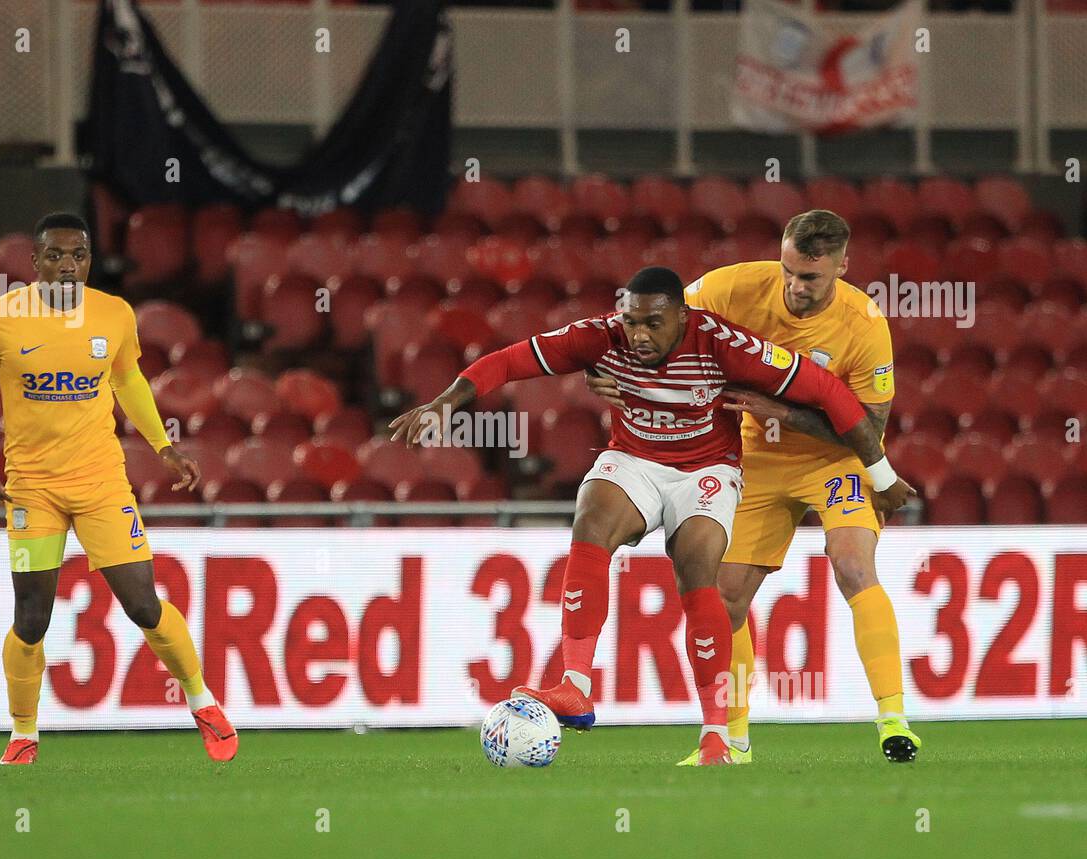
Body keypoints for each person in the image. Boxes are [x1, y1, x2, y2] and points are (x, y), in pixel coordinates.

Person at [389, 265, 912, 765]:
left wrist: (882, 477)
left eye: (653, 324)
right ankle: (575, 686)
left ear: (682, 319)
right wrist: (447, 401)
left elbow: (826, 391)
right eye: (632, 321)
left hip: (706, 470)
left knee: (697, 571)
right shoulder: (603, 336)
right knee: (590, 520)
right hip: (636, 459)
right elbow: (510, 359)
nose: (638, 335)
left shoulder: (723, 344)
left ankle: (715, 737)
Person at [585, 210, 922, 762]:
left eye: (810, 277)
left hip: (832, 462)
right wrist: (601, 360)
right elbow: (653, 316)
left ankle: (893, 719)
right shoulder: (734, 286)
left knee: (854, 565)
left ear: (842, 266)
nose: (794, 286)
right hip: (755, 461)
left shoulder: (864, 322)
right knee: (726, 598)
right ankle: (733, 739)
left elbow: (871, 426)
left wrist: (782, 412)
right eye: (788, 270)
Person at [0, 212, 237, 765]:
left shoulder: (114, 314)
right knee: (33, 616)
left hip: (100, 481)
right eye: (55, 255)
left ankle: (203, 701)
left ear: (89, 261)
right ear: (35, 262)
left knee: (143, 603)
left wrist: (163, 445)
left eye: (78, 255)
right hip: (32, 488)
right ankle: (24, 734)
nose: (67, 266)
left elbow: (127, 379)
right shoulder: (0, 318)